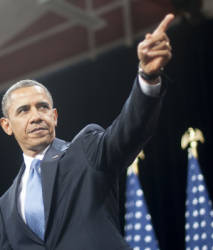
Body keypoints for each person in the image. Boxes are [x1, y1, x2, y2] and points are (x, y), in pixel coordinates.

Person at [0, 14, 174, 250]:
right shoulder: (5, 206)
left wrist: (147, 77)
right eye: (23, 110)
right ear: (6, 125)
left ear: (55, 116)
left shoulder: (85, 150)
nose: (36, 116)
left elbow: (128, 131)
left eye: (42, 107)